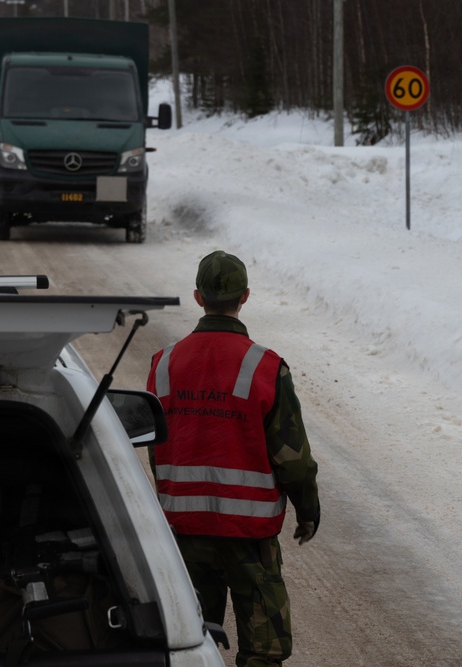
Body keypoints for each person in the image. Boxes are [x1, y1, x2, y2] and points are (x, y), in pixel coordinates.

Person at [147, 250, 320, 667]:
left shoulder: (164, 363)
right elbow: (291, 457)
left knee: (187, 643)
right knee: (264, 650)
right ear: (245, 296)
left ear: (196, 296)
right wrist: (307, 507)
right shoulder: (265, 365)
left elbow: (155, 442)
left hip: (183, 531)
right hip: (248, 535)